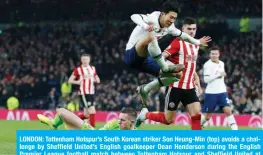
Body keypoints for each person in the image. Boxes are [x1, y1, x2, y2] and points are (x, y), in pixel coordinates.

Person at [124, 1, 211, 105]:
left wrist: (197, 42)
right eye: (171, 17)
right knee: (151, 37)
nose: (172, 20)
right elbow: (134, 16)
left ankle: (146, 88)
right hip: (132, 55)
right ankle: (165, 67)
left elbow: (183, 35)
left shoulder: (170, 27)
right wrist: (144, 26)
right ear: (163, 13)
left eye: (174, 18)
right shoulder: (152, 18)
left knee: (177, 74)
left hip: (146, 59)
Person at [136, 17, 203, 130]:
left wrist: (197, 81)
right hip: (175, 86)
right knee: (168, 120)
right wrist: (168, 68)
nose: (192, 31)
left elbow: (191, 65)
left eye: (194, 29)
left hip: (189, 87)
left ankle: (197, 143)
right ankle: (145, 115)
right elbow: (162, 57)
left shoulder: (196, 45)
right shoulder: (178, 42)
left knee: (196, 116)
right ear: (183, 29)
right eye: (189, 29)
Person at [201, 47, 238, 130]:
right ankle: (199, 125)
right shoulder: (207, 65)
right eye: (212, 54)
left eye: (216, 54)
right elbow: (206, 80)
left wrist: (223, 83)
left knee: (228, 111)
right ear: (210, 55)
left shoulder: (222, 63)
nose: (214, 55)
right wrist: (218, 75)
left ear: (219, 54)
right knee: (207, 117)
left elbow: (221, 76)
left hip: (222, 92)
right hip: (211, 93)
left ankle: (236, 131)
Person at [68, 53, 100, 127]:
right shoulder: (78, 70)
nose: (85, 61)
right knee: (92, 111)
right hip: (84, 93)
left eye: (86, 59)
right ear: (81, 60)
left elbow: (97, 78)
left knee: (86, 114)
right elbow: (70, 80)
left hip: (91, 93)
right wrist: (77, 82)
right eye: (83, 59)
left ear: (89, 60)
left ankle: (71, 122)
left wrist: (97, 80)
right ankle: (93, 130)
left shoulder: (93, 68)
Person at [37, 107, 137, 130]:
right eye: (119, 119)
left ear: (132, 122)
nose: (119, 122)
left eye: (122, 120)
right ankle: (53, 124)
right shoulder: (114, 124)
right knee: (61, 111)